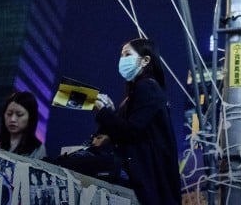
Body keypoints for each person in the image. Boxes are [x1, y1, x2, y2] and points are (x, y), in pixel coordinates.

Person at [58, 37, 182, 205]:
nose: (122, 60)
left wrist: (101, 109)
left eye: (127, 54)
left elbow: (130, 132)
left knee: (59, 165)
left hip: (139, 176)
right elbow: (130, 131)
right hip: (136, 173)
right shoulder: (141, 90)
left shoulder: (147, 87)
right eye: (121, 55)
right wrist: (110, 117)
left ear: (145, 60)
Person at [0, 90, 47, 159]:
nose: (12, 119)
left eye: (19, 115)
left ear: (30, 118)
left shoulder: (37, 149)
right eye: (9, 114)